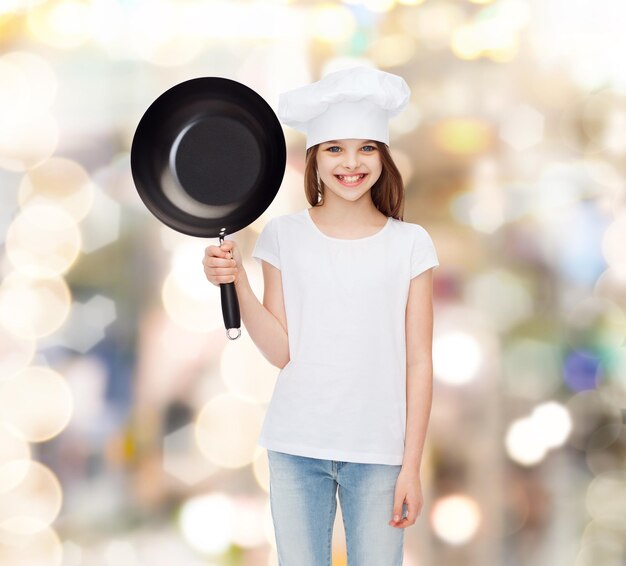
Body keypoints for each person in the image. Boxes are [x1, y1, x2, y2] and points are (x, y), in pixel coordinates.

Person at [202, 66, 439, 566]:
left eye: (366, 148)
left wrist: (411, 466)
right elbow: (281, 351)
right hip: (295, 446)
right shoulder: (284, 237)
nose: (350, 163)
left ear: (383, 156)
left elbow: (419, 362)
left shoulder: (410, 245)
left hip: (379, 454)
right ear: (314, 157)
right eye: (334, 148)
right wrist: (237, 281)